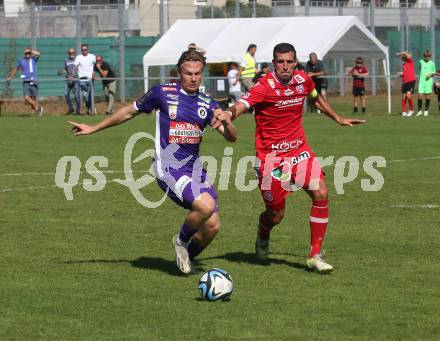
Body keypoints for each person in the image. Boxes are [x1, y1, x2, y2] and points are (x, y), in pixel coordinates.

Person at [68, 49, 237, 275]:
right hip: (168, 167)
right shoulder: (162, 93)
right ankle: (180, 241)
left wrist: (228, 120)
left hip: (194, 169)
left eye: (198, 73)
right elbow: (129, 112)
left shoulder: (207, 103)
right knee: (205, 206)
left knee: (213, 226)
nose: (193, 78)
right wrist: (94, 128)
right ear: (180, 72)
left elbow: (231, 137)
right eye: (188, 73)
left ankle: (183, 258)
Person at [214, 43, 365, 273]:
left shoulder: (303, 80)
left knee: (321, 192)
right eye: (281, 61)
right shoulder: (264, 86)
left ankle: (315, 255)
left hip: (299, 152)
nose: (285, 66)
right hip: (271, 160)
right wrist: (228, 114)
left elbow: (315, 98)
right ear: (274, 63)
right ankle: (263, 232)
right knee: (276, 215)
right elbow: (242, 105)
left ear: (295, 62)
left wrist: (337, 117)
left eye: (290, 61)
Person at [6, 47, 43, 116]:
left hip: (34, 80)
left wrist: (31, 51)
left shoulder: (33, 59)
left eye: (29, 53)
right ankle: (38, 108)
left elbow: (39, 54)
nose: (27, 54)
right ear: (24, 53)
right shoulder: (21, 60)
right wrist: (10, 77)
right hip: (26, 81)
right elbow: (16, 69)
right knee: (26, 98)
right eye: (26, 53)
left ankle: (37, 110)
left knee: (34, 98)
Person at [71, 44, 96, 115]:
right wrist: (72, 75)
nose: (84, 51)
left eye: (85, 49)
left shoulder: (92, 56)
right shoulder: (79, 57)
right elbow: (75, 66)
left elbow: (95, 67)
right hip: (82, 80)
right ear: (81, 50)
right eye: (83, 50)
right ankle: (89, 108)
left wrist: (93, 75)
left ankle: (89, 109)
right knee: (85, 96)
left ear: (88, 50)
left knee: (90, 96)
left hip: (90, 80)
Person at [59, 48, 80, 115]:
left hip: (76, 79)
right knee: (66, 94)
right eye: (70, 53)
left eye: (73, 52)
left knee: (77, 95)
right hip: (68, 79)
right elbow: (65, 68)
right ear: (68, 53)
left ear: (75, 53)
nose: (72, 54)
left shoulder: (78, 59)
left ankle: (78, 110)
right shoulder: (66, 60)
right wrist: (61, 71)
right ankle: (71, 108)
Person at [415, 50, 436, 117]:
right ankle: (419, 110)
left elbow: (434, 73)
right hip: (421, 81)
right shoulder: (421, 62)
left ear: (430, 56)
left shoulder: (432, 63)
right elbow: (420, 68)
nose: (427, 57)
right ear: (424, 56)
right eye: (426, 56)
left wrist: (430, 75)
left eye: (428, 56)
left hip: (428, 82)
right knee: (419, 95)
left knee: (427, 95)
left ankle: (426, 110)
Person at [396, 51, 416, 117]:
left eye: (404, 56)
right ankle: (404, 111)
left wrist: (399, 53)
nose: (402, 57)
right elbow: (405, 73)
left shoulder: (410, 61)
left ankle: (411, 110)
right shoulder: (403, 65)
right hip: (405, 82)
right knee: (404, 96)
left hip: (411, 81)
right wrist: (401, 74)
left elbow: (407, 54)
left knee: (408, 95)